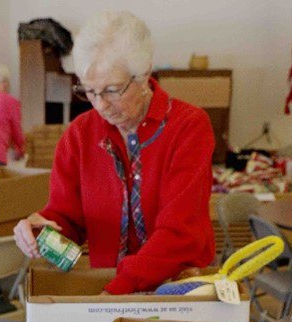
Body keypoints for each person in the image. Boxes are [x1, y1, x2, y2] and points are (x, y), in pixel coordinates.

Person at [14, 11, 215, 294]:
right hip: (111, 289)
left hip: (178, 289)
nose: (100, 105)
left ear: (144, 74)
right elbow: (68, 218)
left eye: (112, 90)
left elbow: (180, 234)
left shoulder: (188, 127)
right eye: (90, 91)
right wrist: (41, 230)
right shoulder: (79, 135)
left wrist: (116, 292)